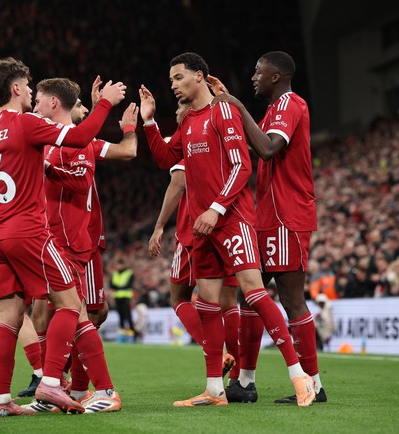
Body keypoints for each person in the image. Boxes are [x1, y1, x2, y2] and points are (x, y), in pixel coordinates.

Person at [139, 52, 315, 407]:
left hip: (231, 219)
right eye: (171, 79)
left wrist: (216, 208)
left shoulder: (224, 112)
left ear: (200, 77)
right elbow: (165, 160)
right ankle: (215, 389)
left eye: (178, 77)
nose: (172, 85)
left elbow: (243, 166)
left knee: (254, 292)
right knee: (207, 304)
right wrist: (148, 122)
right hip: (203, 228)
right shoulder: (189, 120)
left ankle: (300, 376)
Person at [0, 57, 126, 416]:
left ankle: (1, 401)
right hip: (29, 231)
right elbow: (81, 136)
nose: (32, 91)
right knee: (69, 304)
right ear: (16, 88)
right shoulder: (26, 123)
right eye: (28, 84)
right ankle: (51, 384)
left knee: (9, 319)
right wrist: (105, 103)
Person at [210, 51, 327, 404]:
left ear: (276, 76)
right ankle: (245, 382)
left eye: (259, 72)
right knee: (251, 296)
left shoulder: (292, 104)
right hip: (267, 217)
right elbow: (253, 143)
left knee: (292, 299)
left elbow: (268, 149)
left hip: (287, 216)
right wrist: (229, 112)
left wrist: (237, 106)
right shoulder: (274, 111)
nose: (254, 77)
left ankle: (314, 385)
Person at [18, 77, 125, 414]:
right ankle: (59, 389)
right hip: (48, 240)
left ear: (53, 103)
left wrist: (48, 171)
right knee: (69, 316)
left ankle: (98, 390)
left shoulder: (78, 142)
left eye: (39, 101)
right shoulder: (46, 141)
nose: (34, 107)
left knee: (76, 312)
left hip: (70, 242)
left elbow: (81, 182)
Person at [148, 100, 239, 379]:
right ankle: (240, 376)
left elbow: (178, 185)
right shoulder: (217, 128)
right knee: (229, 302)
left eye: (180, 106)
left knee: (179, 297)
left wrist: (160, 225)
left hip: (193, 229)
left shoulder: (191, 134)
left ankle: (217, 352)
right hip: (227, 223)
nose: (176, 111)